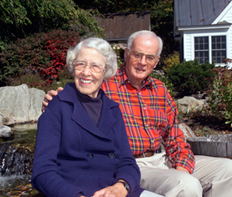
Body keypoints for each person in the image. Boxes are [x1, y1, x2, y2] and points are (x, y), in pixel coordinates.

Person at [42, 31, 232, 197]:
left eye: (149, 57)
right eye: (137, 55)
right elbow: (80, 89)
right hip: (134, 164)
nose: (142, 62)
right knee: (186, 185)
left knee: (228, 170)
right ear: (126, 54)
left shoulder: (159, 89)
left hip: (163, 158)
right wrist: (55, 98)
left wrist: (181, 166)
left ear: (156, 61)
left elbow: (174, 136)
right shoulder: (105, 83)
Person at [31, 37, 161, 197]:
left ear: (106, 71)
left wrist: (121, 187)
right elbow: (42, 172)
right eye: (81, 64)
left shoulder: (113, 109)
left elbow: (127, 162)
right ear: (73, 67)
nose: (86, 72)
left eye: (95, 66)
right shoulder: (57, 106)